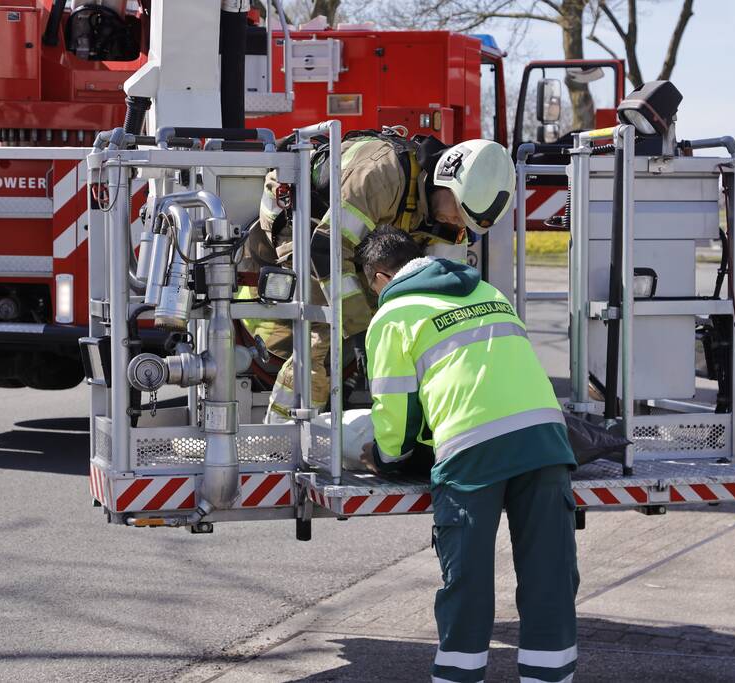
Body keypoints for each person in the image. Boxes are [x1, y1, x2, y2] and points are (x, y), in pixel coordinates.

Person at [357, 227, 580, 683]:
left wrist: (385, 458)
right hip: (546, 439)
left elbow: (394, 409)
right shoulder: (487, 290)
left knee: (469, 583)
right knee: (550, 578)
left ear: (379, 277)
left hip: (472, 449)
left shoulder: (394, 314)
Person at [243, 130, 516, 422]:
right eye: (458, 213)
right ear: (445, 181)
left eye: (466, 221)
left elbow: (439, 289)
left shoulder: (447, 213)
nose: (457, 223)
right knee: (321, 332)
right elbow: (324, 249)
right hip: (303, 220)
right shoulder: (383, 176)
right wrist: (362, 332)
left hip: (355, 238)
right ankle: (285, 431)